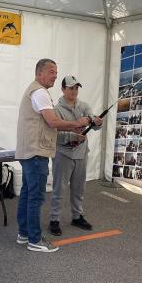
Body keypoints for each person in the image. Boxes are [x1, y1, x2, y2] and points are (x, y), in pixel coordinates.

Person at [15, 60, 89, 252]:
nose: (55, 75)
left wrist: (74, 127)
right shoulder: (40, 92)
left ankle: (24, 234)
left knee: (27, 193)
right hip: (36, 152)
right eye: (51, 71)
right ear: (39, 73)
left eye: (56, 72)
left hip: (29, 151)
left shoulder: (35, 91)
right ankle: (35, 240)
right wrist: (76, 124)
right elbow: (52, 121)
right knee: (35, 197)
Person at [48, 76, 102, 236]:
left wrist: (98, 122)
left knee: (79, 188)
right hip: (62, 154)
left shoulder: (84, 106)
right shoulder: (56, 110)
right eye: (71, 88)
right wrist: (72, 137)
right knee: (59, 188)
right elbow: (53, 134)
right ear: (63, 89)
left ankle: (77, 216)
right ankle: (54, 219)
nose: (74, 91)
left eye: (76, 88)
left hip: (81, 153)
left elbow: (95, 126)